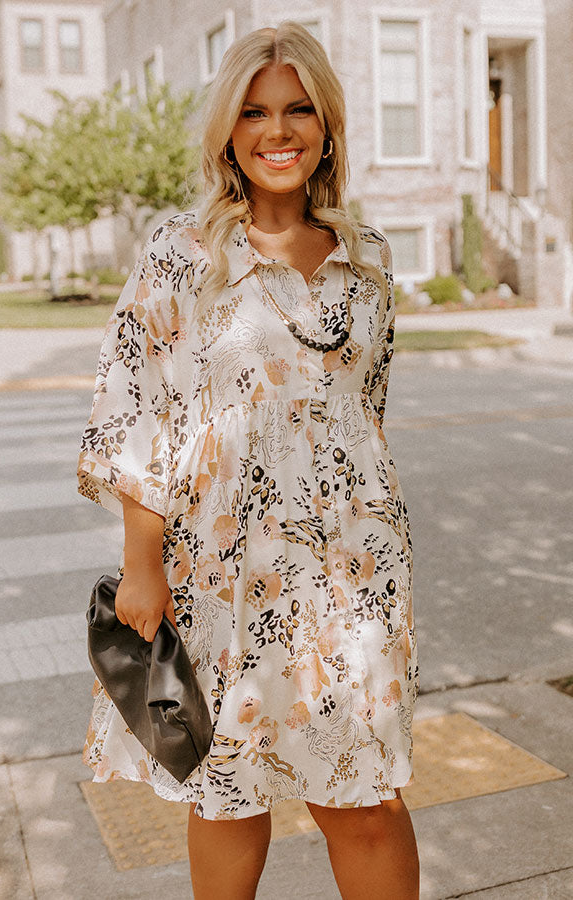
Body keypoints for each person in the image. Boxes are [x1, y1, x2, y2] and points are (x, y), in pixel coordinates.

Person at [78, 20, 419, 900]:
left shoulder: (371, 261)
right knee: (228, 791)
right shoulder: (182, 255)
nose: (278, 131)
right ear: (228, 130)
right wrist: (140, 566)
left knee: (367, 796)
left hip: (355, 579)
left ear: (326, 124)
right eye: (256, 112)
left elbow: (364, 417)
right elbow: (135, 411)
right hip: (224, 569)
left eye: (299, 110)